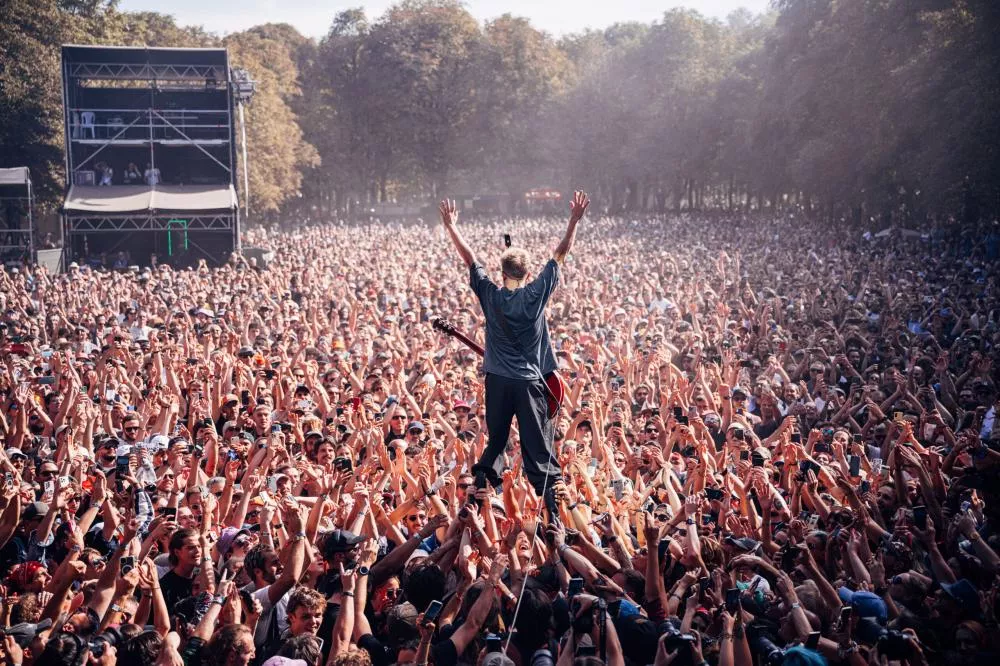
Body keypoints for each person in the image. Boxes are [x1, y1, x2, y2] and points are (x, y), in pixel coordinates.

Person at [438, 192, 590, 517]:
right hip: (529, 382)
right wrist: (574, 220)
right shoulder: (537, 293)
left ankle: (481, 483)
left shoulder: (490, 294)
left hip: (497, 382)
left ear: (501, 272)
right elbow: (561, 253)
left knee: (497, 440)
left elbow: (471, 259)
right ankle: (553, 506)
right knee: (537, 446)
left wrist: (452, 227)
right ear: (529, 272)